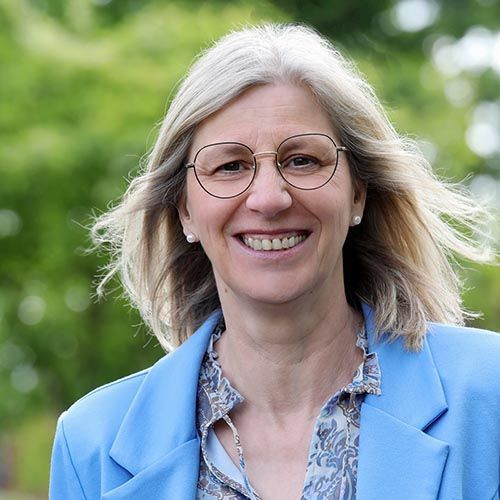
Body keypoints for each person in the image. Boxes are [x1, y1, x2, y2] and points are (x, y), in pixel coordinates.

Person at [49, 24, 500, 500]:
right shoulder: (90, 447)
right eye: (230, 166)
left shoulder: (488, 393)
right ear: (185, 210)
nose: (268, 198)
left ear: (358, 193)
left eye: (302, 160)